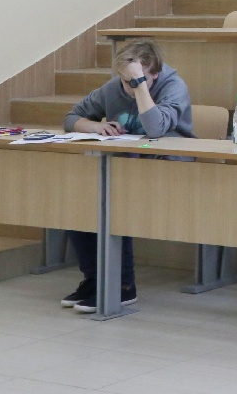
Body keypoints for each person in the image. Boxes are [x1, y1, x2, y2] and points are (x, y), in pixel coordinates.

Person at [60, 39, 193, 313]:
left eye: (135, 80)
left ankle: (123, 285)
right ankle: (95, 278)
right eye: (125, 81)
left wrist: (140, 85)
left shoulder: (174, 87)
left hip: (171, 169)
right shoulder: (113, 88)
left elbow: (155, 129)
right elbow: (71, 118)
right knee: (80, 202)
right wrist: (96, 126)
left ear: (155, 74)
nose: (128, 88)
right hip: (126, 167)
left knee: (115, 204)